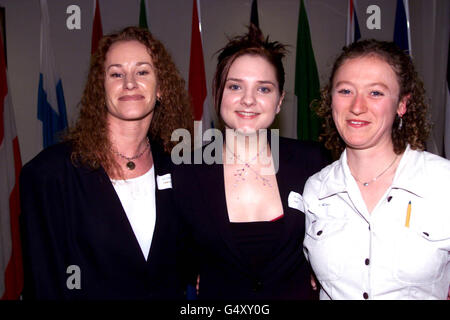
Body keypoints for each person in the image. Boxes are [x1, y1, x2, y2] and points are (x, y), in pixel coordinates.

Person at [19, 26, 193, 299]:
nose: (130, 82)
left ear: (161, 89)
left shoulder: (179, 167)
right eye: (116, 73)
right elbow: (44, 285)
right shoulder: (50, 175)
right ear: (101, 90)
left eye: (143, 71)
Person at [171, 25, 329, 300]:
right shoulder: (185, 169)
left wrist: (325, 267)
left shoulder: (312, 161)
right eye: (235, 86)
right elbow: (170, 247)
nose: (248, 100)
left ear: (279, 101)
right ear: (218, 93)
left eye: (264, 89)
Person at [303, 39, 450, 300]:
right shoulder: (315, 189)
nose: (357, 106)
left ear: (402, 105)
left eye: (376, 93)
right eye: (345, 91)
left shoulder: (442, 181)